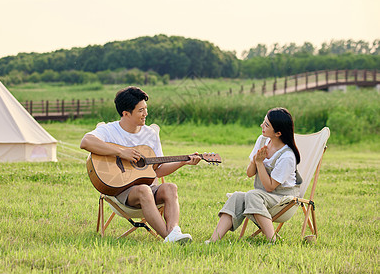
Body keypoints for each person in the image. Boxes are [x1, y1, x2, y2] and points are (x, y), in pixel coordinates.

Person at [80, 86, 201, 243]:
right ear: (126, 113)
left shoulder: (150, 134)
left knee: (170, 188)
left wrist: (183, 162)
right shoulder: (109, 130)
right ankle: (170, 238)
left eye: (146, 109)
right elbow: (86, 142)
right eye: (141, 110)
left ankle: (174, 231)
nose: (146, 114)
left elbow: (157, 170)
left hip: (148, 189)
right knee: (144, 190)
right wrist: (121, 152)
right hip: (119, 190)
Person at [208, 107, 301, 243]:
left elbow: (270, 187)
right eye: (264, 122)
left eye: (266, 125)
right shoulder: (262, 140)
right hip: (261, 197)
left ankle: (272, 241)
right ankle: (213, 240)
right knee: (237, 197)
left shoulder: (287, 156)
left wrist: (259, 162)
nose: (261, 126)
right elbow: (249, 173)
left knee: (252, 194)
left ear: (278, 133)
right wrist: (256, 161)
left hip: (282, 201)